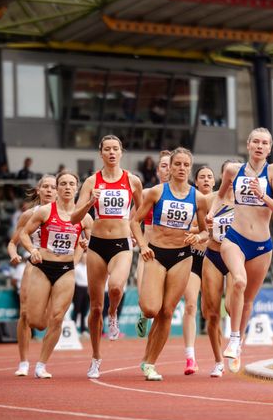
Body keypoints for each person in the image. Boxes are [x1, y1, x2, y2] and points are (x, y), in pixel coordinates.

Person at [206, 127, 273, 366]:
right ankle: (233, 337)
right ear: (248, 145)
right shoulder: (233, 170)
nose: (260, 146)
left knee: (248, 299)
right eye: (256, 142)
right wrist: (211, 213)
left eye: (265, 143)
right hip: (235, 239)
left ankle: (238, 343)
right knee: (238, 281)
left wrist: (263, 195)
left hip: (262, 245)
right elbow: (220, 196)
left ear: (270, 149)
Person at [130, 147, 207, 381]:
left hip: (182, 256)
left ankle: (150, 363)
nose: (182, 168)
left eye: (186, 165)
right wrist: (143, 245)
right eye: (178, 164)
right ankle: (144, 324)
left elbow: (205, 232)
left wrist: (198, 237)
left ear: (190, 168)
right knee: (151, 308)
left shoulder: (198, 198)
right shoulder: (155, 192)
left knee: (167, 312)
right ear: (170, 167)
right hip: (155, 254)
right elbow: (135, 221)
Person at [70, 135, 143, 379]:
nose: (112, 153)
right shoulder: (92, 181)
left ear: (122, 152)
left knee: (115, 288)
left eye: (116, 149)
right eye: (107, 149)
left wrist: (135, 232)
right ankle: (96, 358)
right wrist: (91, 201)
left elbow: (142, 211)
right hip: (97, 244)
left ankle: (113, 314)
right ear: (100, 153)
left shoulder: (132, 181)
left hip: (122, 244)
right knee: (94, 307)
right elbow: (74, 218)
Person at [20, 171, 93, 378]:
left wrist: (86, 246)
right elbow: (25, 234)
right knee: (36, 321)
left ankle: (41, 364)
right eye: (63, 184)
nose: (67, 187)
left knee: (58, 317)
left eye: (71, 184)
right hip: (43, 267)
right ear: (58, 188)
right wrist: (32, 250)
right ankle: (39, 326)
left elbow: (94, 242)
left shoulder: (85, 217)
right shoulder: (44, 211)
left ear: (77, 188)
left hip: (65, 270)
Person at [7, 174, 57, 377]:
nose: (49, 190)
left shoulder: (69, 213)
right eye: (45, 186)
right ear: (38, 190)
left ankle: (42, 364)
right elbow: (13, 242)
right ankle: (24, 362)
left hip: (59, 267)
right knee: (25, 313)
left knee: (48, 319)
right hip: (34, 265)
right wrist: (14, 255)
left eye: (53, 187)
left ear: (58, 190)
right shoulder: (29, 214)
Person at [202, 160, 235, 378]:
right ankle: (217, 361)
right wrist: (202, 231)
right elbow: (199, 227)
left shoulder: (246, 202)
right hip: (213, 255)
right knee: (212, 314)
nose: (231, 180)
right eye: (228, 175)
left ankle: (235, 344)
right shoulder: (208, 200)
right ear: (222, 177)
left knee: (232, 308)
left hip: (235, 258)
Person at [182, 165, 215, 375]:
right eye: (201, 177)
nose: (205, 179)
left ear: (214, 182)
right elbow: (183, 228)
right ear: (196, 182)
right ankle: (190, 357)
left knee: (211, 313)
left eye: (209, 177)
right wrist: (201, 229)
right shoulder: (190, 200)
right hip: (193, 258)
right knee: (190, 306)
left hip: (213, 259)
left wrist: (204, 229)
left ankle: (220, 359)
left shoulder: (221, 201)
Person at [136, 150, 171, 338]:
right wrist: (134, 237)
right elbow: (133, 219)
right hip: (147, 250)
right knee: (143, 293)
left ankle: (151, 351)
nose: (167, 170)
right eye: (163, 166)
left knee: (162, 306)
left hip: (170, 253)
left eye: (169, 166)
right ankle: (143, 314)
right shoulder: (147, 193)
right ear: (157, 171)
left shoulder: (184, 196)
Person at [73, 250, 90, 338]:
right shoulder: (77, 267)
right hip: (78, 289)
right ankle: (73, 328)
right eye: (83, 258)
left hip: (87, 290)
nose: (84, 259)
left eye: (86, 258)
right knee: (77, 309)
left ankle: (83, 329)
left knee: (84, 311)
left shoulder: (89, 267)